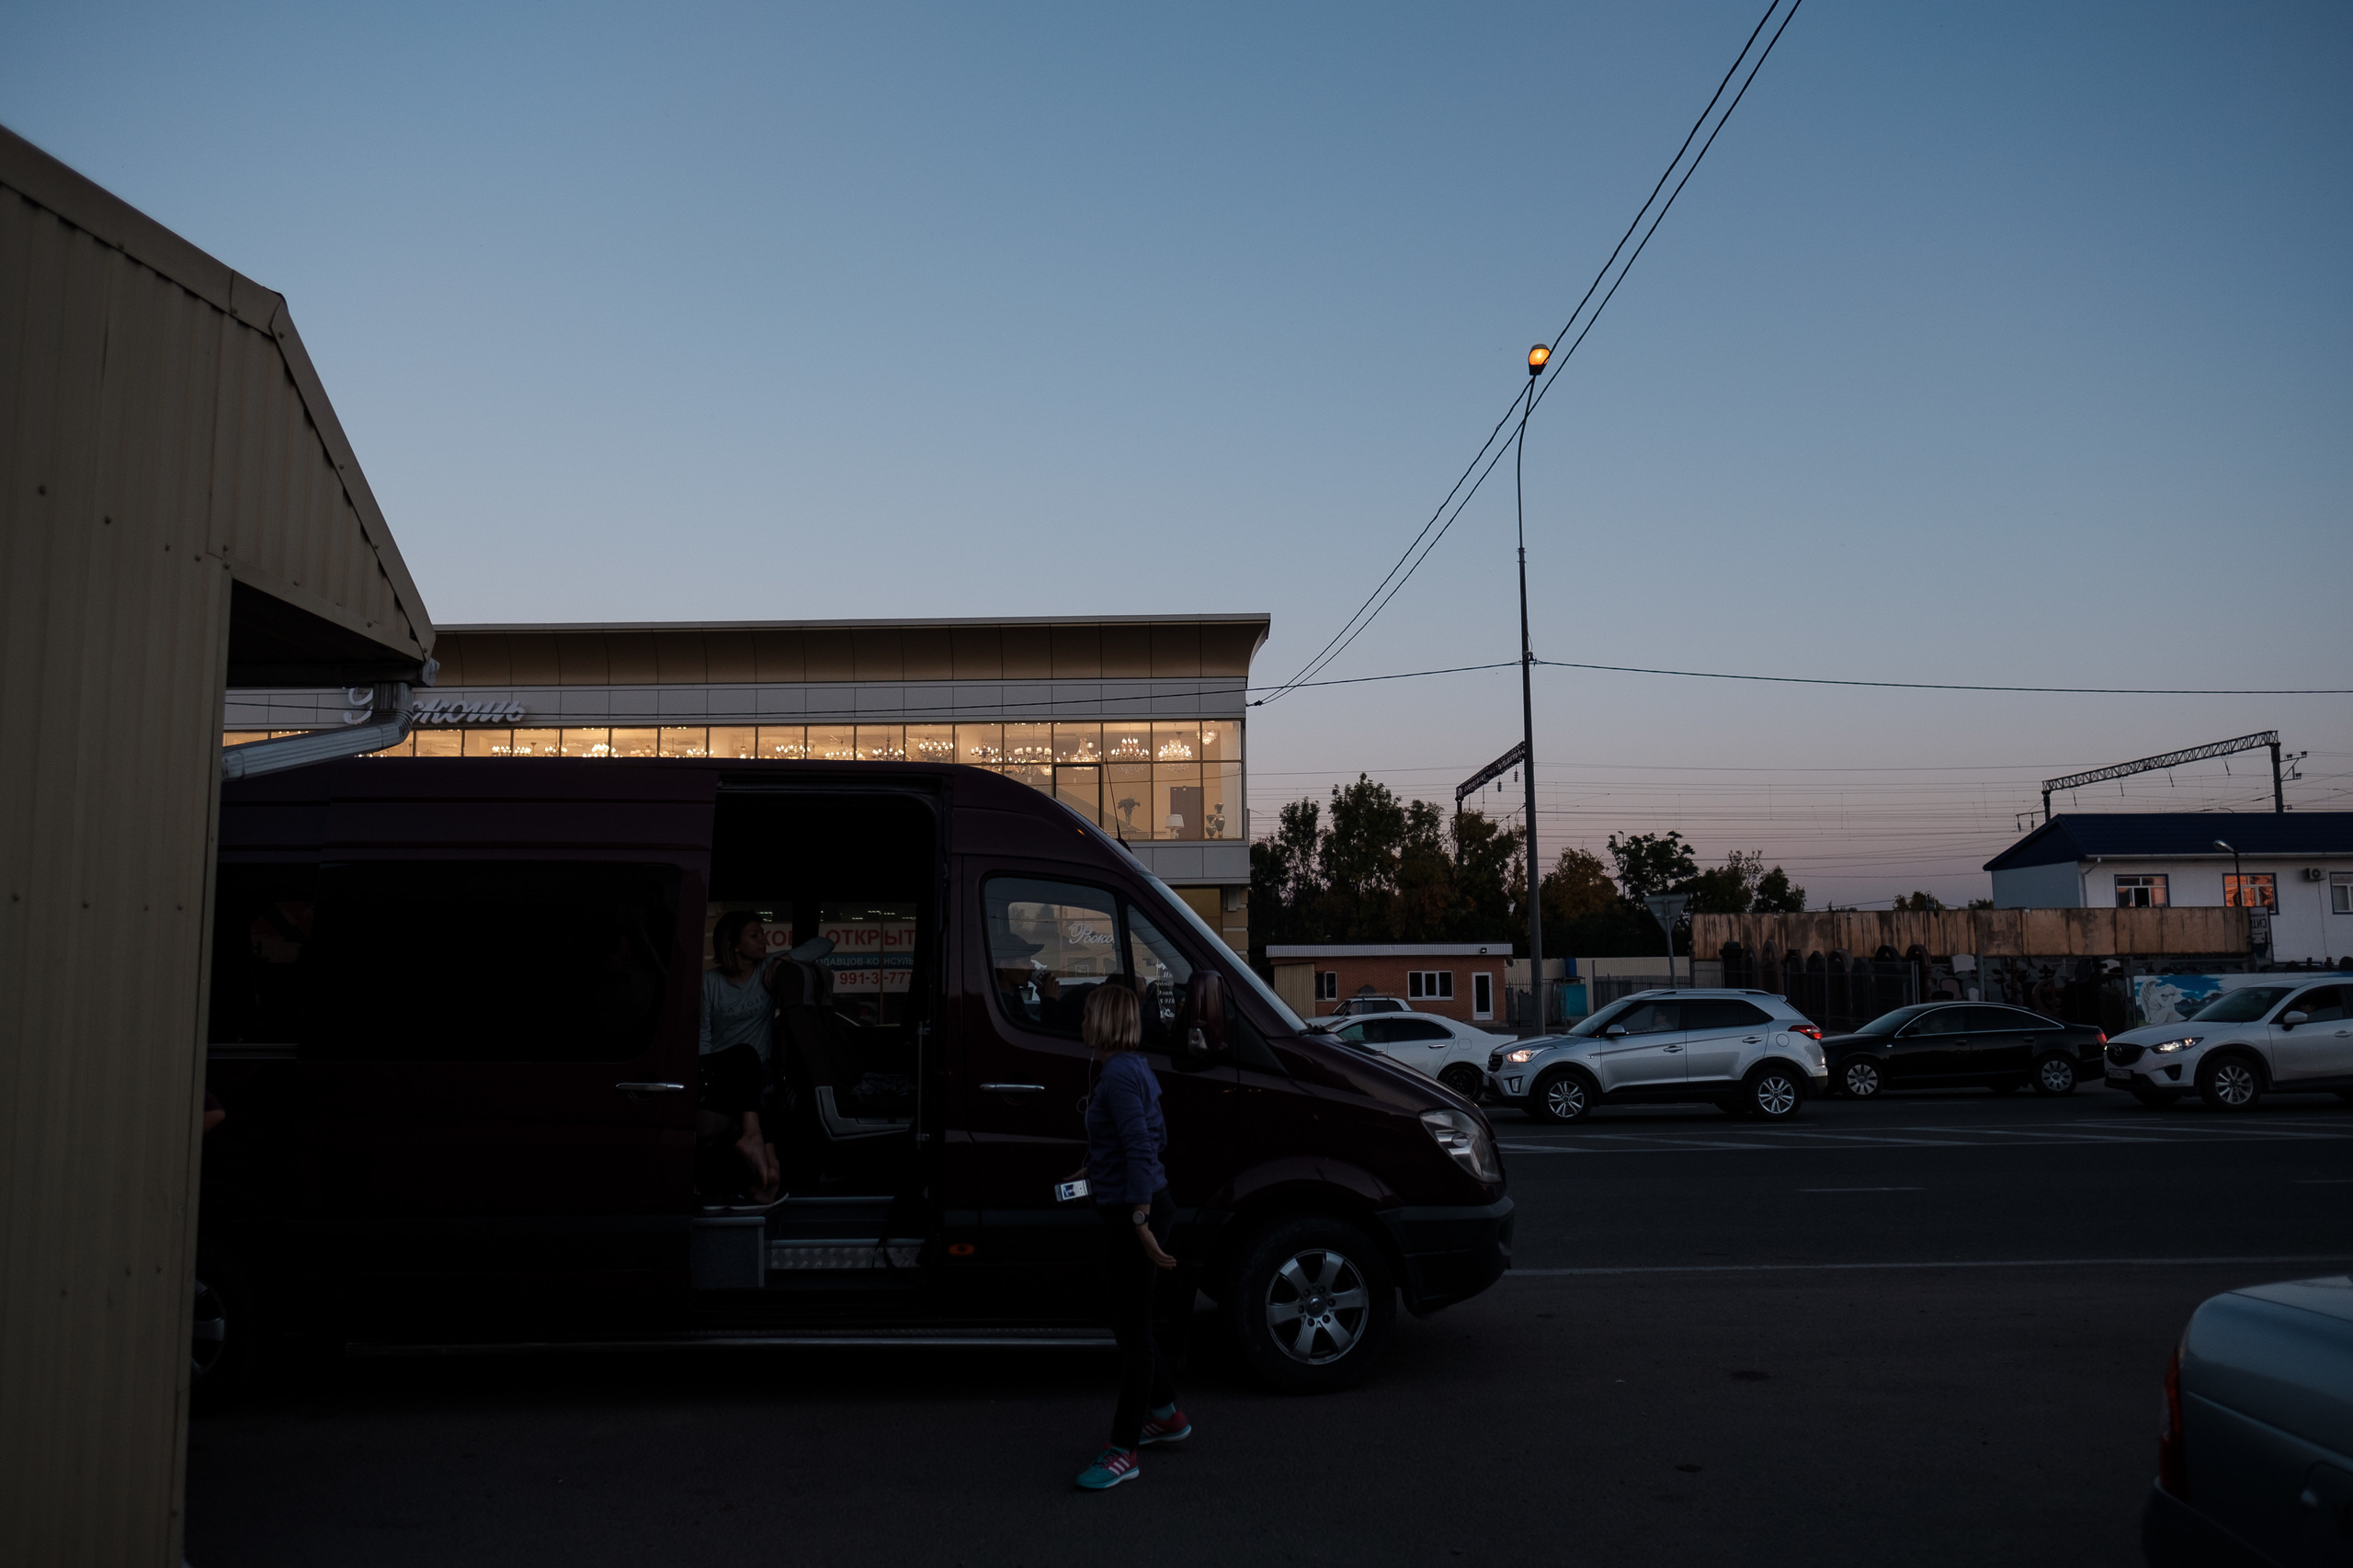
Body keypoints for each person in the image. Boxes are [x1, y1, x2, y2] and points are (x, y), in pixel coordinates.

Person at [1073, 983, 1190, 1492]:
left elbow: (1143, 1148)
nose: (1080, 1022)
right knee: (1128, 1320)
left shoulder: (1118, 1075)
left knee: (1133, 1333)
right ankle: (1165, 1415)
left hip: (1135, 1214)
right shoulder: (1131, 1068)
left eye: (1087, 1014)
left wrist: (1140, 1221)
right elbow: (1151, 1136)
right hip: (1136, 1206)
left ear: (1102, 1021)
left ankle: (1123, 1451)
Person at [701, 909, 780, 1202]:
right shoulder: (710, 983)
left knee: (759, 1071)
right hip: (723, 1069)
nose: (764, 940)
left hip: (759, 1069)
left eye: (763, 933)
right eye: (755, 935)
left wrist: (784, 960)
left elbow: (822, 946)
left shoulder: (767, 969)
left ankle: (765, 1166)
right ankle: (769, 1169)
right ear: (735, 945)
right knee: (746, 1058)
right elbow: (703, 1036)